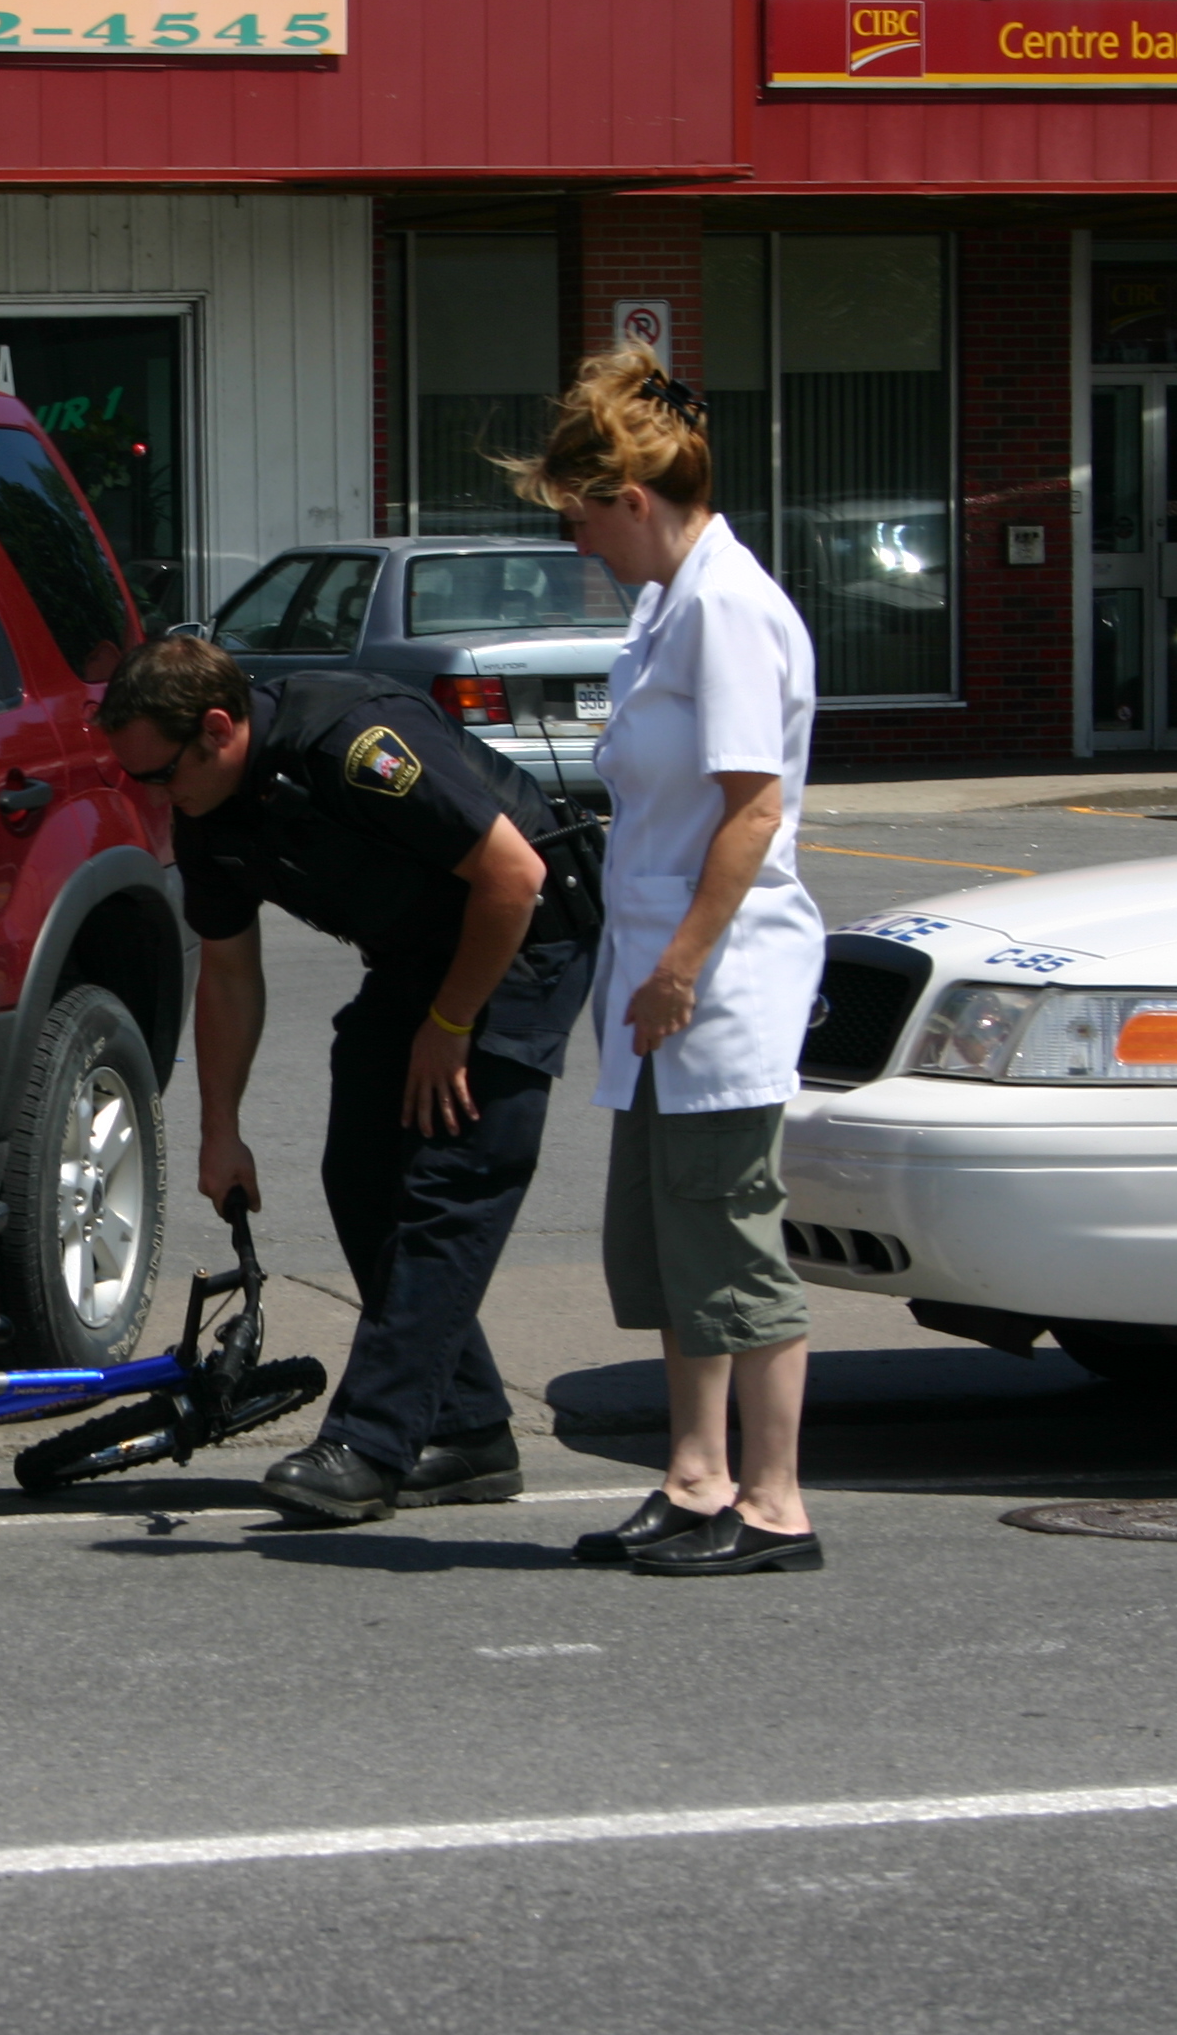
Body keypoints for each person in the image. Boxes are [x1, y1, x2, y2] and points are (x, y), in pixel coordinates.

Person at [95, 635, 597, 1524]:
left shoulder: (354, 746)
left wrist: (449, 1027)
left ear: (218, 728)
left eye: (160, 775)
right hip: (418, 956)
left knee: (449, 1186)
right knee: (361, 1173)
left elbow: (514, 877)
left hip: (518, 941)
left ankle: (369, 1442)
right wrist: (221, 1129)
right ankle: (468, 1429)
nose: (154, 798)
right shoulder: (212, 812)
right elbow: (230, 973)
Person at [504, 345, 827, 1577]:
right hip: (658, 985)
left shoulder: (730, 608)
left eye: (586, 517)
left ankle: (776, 1503)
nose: (582, 542)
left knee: (731, 1236)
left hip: (716, 982)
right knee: (670, 1241)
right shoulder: (667, 603)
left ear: (634, 500)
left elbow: (753, 808)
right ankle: (697, 1478)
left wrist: (685, 963)